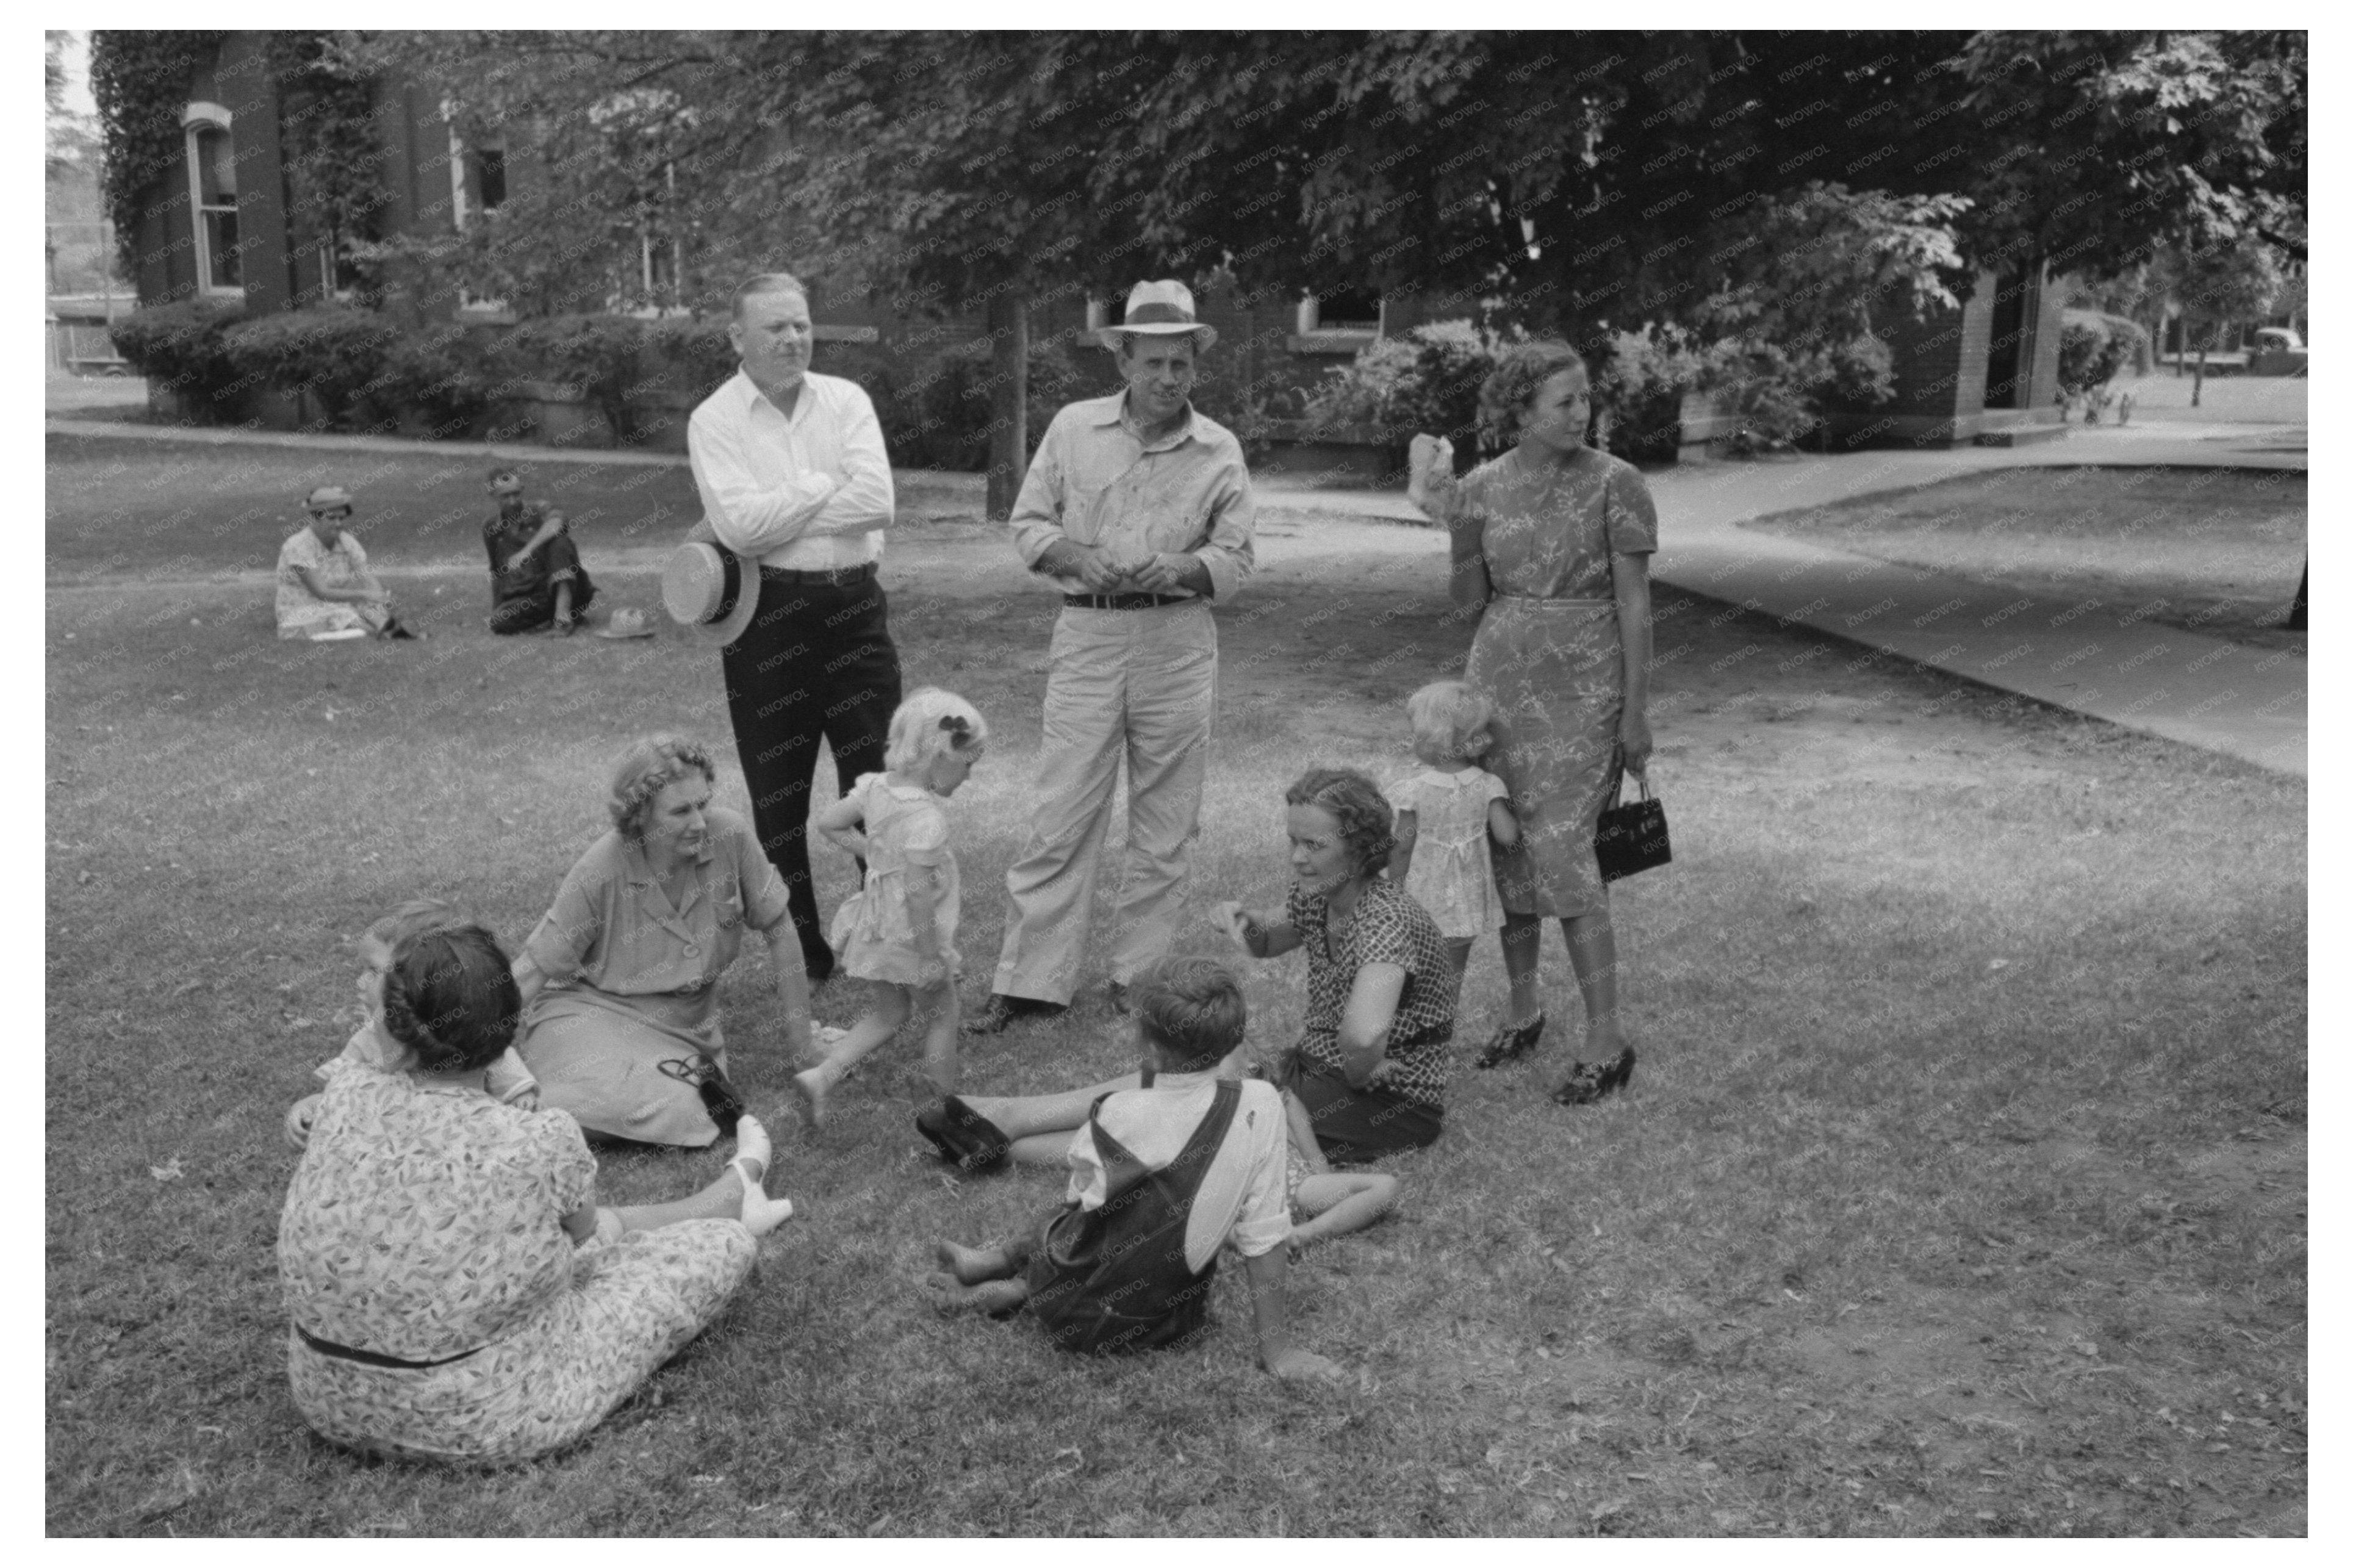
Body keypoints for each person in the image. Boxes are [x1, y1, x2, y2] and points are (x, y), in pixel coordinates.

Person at [278, 917, 796, 1465]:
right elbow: (583, 1235)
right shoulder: (540, 1136)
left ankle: (732, 1193)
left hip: (329, 1399)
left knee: (522, 1239)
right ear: (506, 1031)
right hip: (487, 1414)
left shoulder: (348, 1093)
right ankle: (732, 1205)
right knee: (717, 1249)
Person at [969, 279, 1256, 1035]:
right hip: (1089, 635)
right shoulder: (1072, 429)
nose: (1169, 378)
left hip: (1177, 641)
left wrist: (1185, 570)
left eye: (1182, 363)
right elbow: (1029, 524)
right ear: (1122, 358)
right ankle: (1030, 981)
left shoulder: (1218, 447)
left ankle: (1139, 978)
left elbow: (1235, 555)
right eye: (1154, 361)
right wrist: (1074, 555)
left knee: (1167, 821)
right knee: (1061, 812)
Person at [1406, 342, 1656, 1105]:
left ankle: (1607, 1033)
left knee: (1565, 851)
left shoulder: (1618, 483)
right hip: (1501, 681)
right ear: (1519, 412)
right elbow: (1465, 600)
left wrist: (1637, 709)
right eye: (1563, 402)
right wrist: (1453, 522)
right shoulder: (1481, 487)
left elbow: (1636, 605)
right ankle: (1523, 1010)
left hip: (1586, 687)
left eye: (1584, 399)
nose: (1580, 413)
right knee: (1506, 847)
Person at [922, 957, 1342, 1381]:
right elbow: (1265, 1235)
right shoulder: (1265, 1103)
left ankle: (1010, 1277)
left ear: (1152, 1049)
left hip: (1080, 1312)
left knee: (1066, 1216)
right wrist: (1279, 1353)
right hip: (1166, 1321)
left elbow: (1082, 1211)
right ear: (1235, 1040)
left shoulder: (1118, 1111)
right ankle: (1000, 1275)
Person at [685, 271, 902, 985]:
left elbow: (877, 501)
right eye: (775, 327)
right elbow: (739, 528)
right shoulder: (714, 420)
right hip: (766, 619)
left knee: (877, 785)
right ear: (737, 337)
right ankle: (804, 953)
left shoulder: (845, 401)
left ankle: (884, 938)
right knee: (776, 794)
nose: (792, 338)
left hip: (853, 611)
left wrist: (782, 510)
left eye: (801, 324)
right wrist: (819, 485)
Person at [911, 990, 1399, 1257]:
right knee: (1205, 1076)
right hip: (1196, 1137)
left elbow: (1383, 1189)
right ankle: (995, 1123)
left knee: (1179, 1093)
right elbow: (1286, 1098)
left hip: (1180, 1157)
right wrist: (1317, 1161)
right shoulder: (1296, 1165)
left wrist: (1304, 1235)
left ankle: (997, 1123)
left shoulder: (1297, 1196)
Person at [512, 735, 814, 1148]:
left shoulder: (730, 836)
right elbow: (531, 972)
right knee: (621, 1096)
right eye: (681, 811)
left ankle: (540, 1116)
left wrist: (803, 1049)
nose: (700, 822)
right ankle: (511, 1114)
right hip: (590, 1014)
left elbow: (780, 929)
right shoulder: (600, 868)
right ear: (640, 818)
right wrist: (464, 1057)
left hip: (685, 1029)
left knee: (688, 1110)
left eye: (702, 804)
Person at [1217, 768, 1459, 1163]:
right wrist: (1238, 918)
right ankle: (1096, 1112)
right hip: (1317, 1070)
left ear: (1359, 848)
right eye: (1292, 842)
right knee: (1196, 1068)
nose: (1297, 858)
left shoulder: (1383, 920)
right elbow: (1266, 940)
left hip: (1389, 1102)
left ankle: (1104, 1130)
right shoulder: (1321, 894)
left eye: (1313, 845)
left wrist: (1362, 1074)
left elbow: (1363, 1038)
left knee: (1216, 1111)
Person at [793, 689, 988, 1127]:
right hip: (908, 937)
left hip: (876, 925)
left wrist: (878, 859)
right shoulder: (927, 819)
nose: (969, 776)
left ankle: (822, 1076)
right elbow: (918, 894)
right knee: (943, 1012)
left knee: (890, 1012)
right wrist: (929, 957)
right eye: (967, 764)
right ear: (939, 755)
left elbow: (828, 823)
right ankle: (944, 1106)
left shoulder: (875, 788)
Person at [284, 898, 539, 1152]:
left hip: (466, 1144)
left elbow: (514, 1084)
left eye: (373, 971)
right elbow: (336, 1094)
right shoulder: (367, 1040)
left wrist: (522, 1099)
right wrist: (309, 1107)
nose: (360, 982)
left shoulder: (473, 1037)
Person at [1385, 680, 1519, 985]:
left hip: (1421, 896)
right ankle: (1442, 1025)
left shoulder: (1415, 789)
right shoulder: (1488, 784)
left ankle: (1409, 1023)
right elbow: (1507, 836)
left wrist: (1394, 889)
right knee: (1451, 975)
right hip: (1465, 900)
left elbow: (1403, 846)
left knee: (1415, 968)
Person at [275, 485, 423, 641]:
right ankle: (387, 632)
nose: (338, 524)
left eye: (342, 518)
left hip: (336, 605)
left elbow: (367, 578)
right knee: (345, 614)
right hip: (303, 610)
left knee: (367, 608)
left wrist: (380, 600)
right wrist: (364, 595)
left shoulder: (347, 542)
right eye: (332, 518)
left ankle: (386, 628)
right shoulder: (298, 546)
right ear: (315, 518)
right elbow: (321, 592)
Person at [483, 466, 595, 636]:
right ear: (493, 496)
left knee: (560, 542)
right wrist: (497, 608)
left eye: (516, 494)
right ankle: (550, 618)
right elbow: (497, 572)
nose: (513, 501)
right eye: (505, 496)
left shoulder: (539, 509)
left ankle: (563, 617)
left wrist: (527, 550)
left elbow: (557, 522)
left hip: (567, 586)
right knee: (499, 622)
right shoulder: (491, 528)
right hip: (533, 596)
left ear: (522, 490)